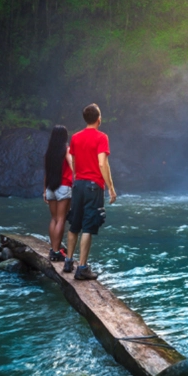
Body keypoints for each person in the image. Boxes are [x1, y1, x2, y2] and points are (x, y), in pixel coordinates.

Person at [63, 103, 116, 280]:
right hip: (94, 186)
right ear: (99, 119)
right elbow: (102, 163)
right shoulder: (102, 137)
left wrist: (77, 178)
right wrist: (111, 187)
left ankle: (69, 262)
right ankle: (82, 268)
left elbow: (74, 161)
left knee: (74, 224)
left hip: (78, 184)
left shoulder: (76, 137)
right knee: (88, 226)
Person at [43, 125, 74, 262]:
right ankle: (56, 252)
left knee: (54, 219)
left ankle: (53, 249)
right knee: (61, 219)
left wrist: (44, 191)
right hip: (63, 187)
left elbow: (46, 173)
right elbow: (73, 167)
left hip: (51, 188)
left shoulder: (49, 153)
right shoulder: (66, 150)